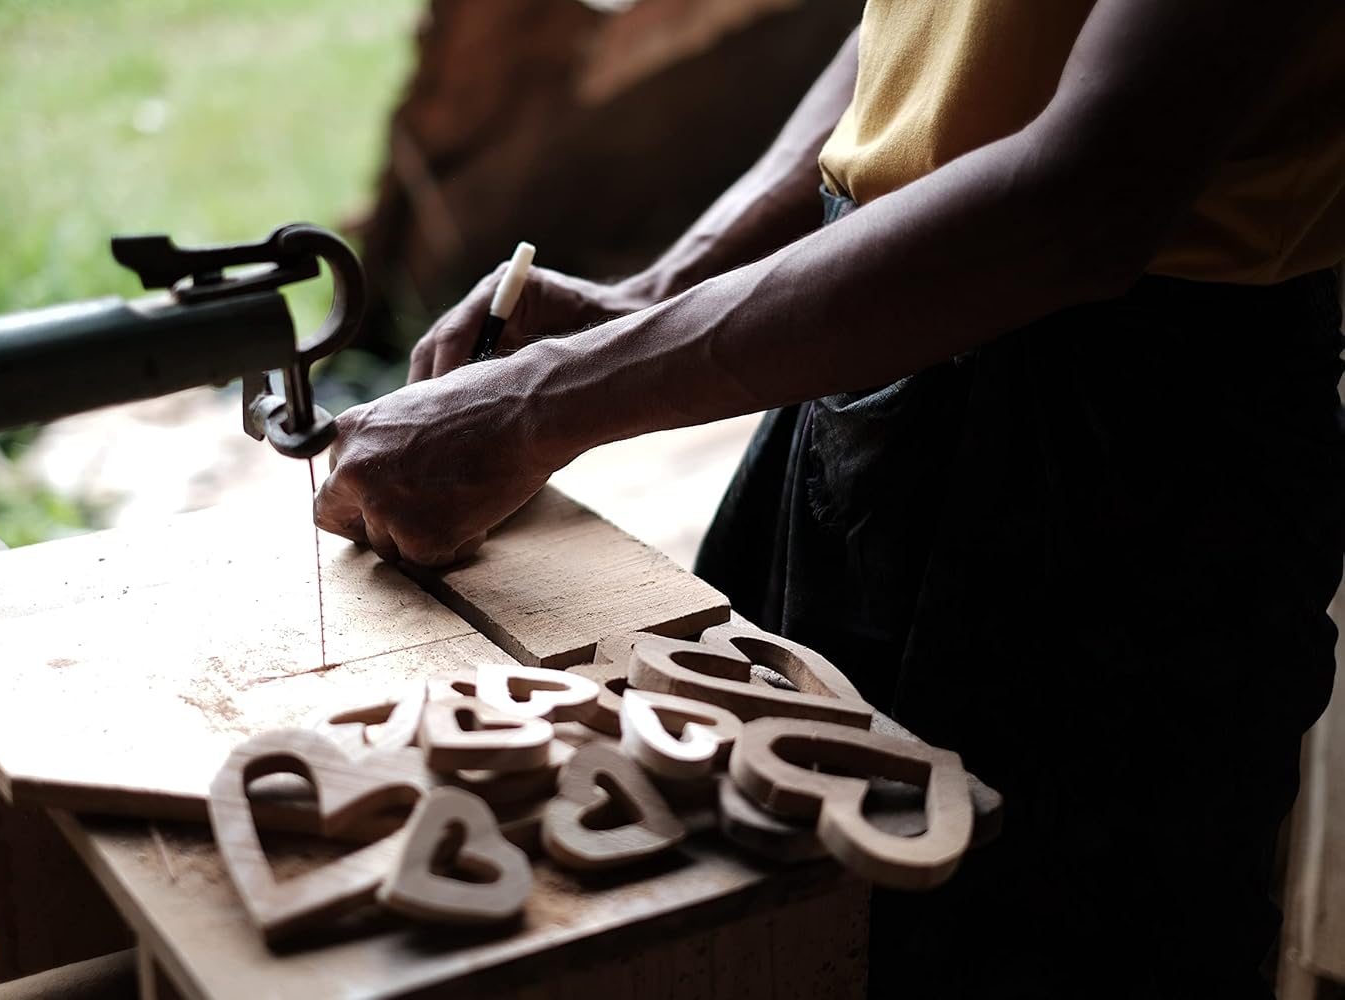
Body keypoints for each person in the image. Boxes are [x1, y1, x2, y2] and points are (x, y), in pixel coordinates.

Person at [315, 1, 1345, 994]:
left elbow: (1082, 200)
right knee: (774, 899)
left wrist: (545, 401)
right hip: (874, 360)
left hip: (1127, 481)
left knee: (1051, 941)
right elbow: (909, 36)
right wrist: (657, 292)